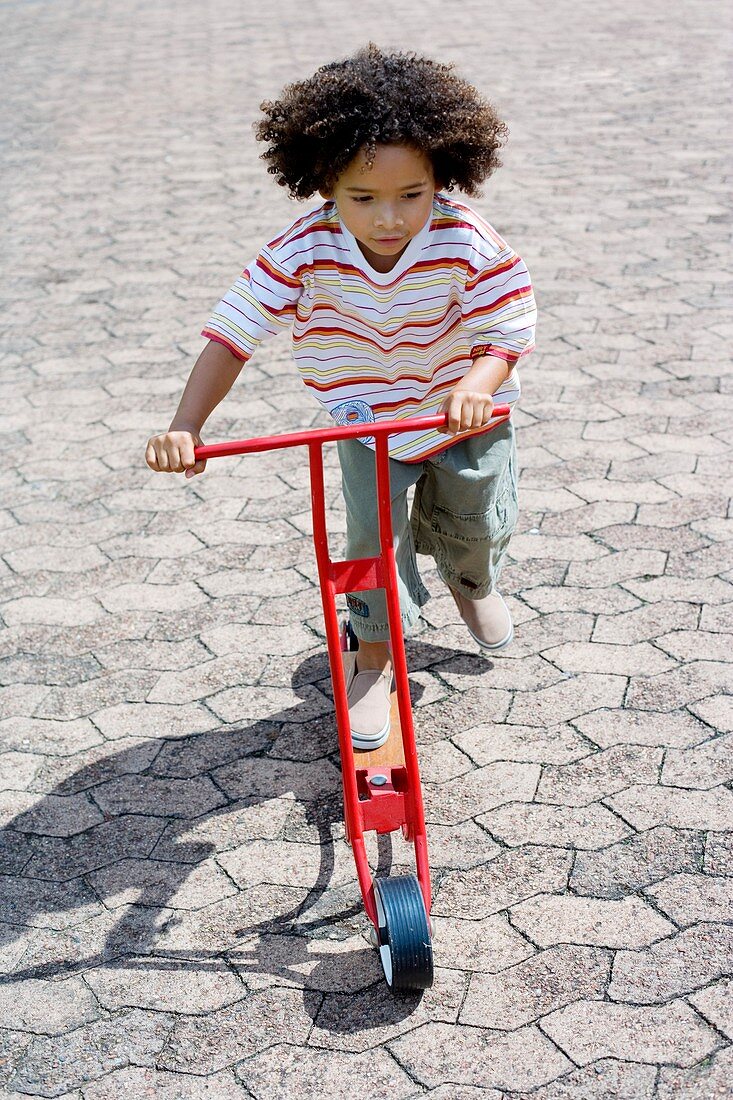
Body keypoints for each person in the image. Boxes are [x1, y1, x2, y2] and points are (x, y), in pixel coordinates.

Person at [146, 44, 537, 752]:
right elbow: (235, 331)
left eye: (410, 195)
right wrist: (186, 424)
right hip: (367, 427)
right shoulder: (303, 248)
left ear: (441, 177)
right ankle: (374, 661)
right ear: (322, 182)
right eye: (362, 198)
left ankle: (470, 583)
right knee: (371, 547)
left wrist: (476, 385)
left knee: (477, 523)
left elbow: (506, 323)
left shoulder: (463, 237)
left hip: (459, 414)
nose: (388, 217)